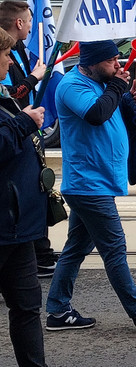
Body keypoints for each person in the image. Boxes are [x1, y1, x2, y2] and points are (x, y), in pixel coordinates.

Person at [45, 40, 136, 331]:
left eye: (119, 59)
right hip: (88, 184)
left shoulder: (102, 82)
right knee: (115, 248)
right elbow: (96, 115)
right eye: (111, 61)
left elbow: (117, 111)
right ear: (91, 62)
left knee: (75, 249)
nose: (118, 65)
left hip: (98, 181)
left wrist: (133, 98)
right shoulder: (71, 85)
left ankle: (57, 310)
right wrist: (117, 87)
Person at [0, 27, 50, 367]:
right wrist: (22, 123)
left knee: (28, 306)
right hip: (4, 224)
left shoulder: (4, 94)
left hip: (18, 225)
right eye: (5, 55)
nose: (9, 60)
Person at [0, 0, 57, 278]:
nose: (10, 59)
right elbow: (12, 92)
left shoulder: (20, 49)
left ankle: (41, 250)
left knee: (26, 303)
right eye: (29, 19)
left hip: (24, 134)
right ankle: (41, 252)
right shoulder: (6, 50)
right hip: (16, 133)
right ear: (19, 23)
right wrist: (35, 78)